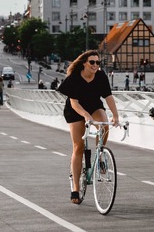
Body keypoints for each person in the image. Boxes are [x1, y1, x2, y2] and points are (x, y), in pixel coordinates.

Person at [56, 50, 120, 205]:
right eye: (92, 62)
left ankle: (100, 154)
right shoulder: (74, 78)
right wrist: (86, 116)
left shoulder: (100, 76)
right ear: (84, 63)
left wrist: (116, 115)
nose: (95, 65)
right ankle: (76, 189)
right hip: (76, 111)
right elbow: (74, 103)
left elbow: (108, 97)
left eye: (98, 63)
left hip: (94, 106)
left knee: (104, 125)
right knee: (78, 147)